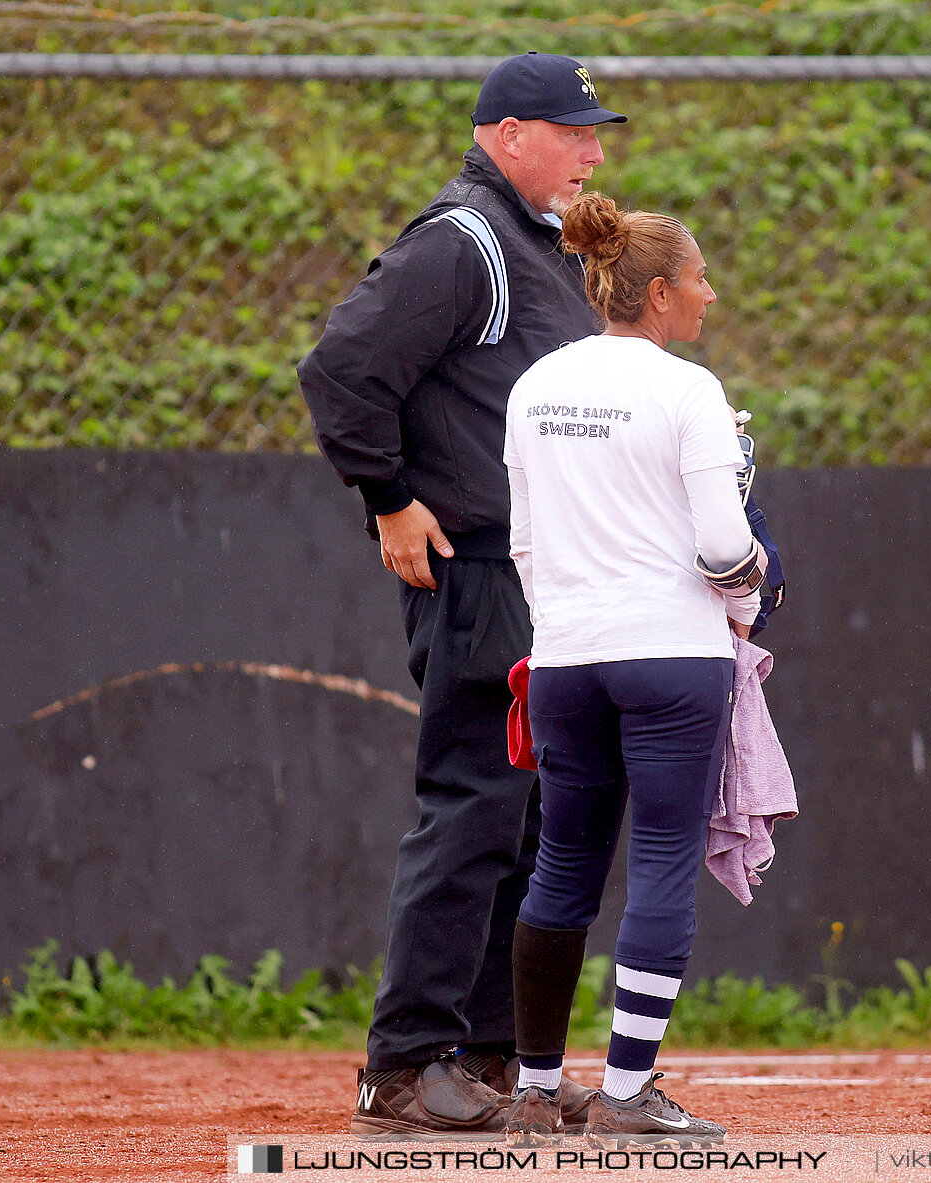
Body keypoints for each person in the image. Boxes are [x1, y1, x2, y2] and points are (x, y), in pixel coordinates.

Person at [295, 52, 625, 1142]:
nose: (593, 151)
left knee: (532, 824)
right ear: (508, 132)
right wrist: (389, 498)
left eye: (595, 132)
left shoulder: (533, 244)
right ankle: (402, 1068)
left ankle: (489, 1061)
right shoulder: (466, 239)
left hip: (549, 576)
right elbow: (343, 367)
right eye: (574, 132)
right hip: (479, 570)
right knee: (475, 808)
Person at [498, 192, 764, 1149]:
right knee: (658, 860)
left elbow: (525, 545)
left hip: (567, 656)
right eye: (697, 280)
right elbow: (722, 546)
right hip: (670, 657)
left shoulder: (534, 387)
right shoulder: (687, 389)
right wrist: (751, 598)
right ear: (658, 292)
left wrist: (569, 623)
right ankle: (625, 1093)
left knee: (562, 860)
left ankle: (532, 1093)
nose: (709, 295)